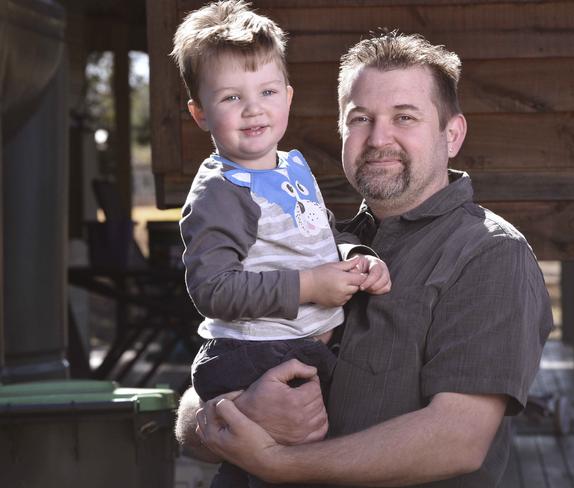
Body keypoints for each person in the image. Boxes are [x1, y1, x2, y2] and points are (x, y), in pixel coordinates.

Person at [178, 30, 553, 487]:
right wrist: (237, 409)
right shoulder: (312, 241)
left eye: (405, 117)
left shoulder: (490, 254)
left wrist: (277, 462)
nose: (378, 138)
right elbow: (194, 409)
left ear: (451, 134)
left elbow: (457, 440)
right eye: (360, 119)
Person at [171, 3, 391, 486]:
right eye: (230, 97)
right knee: (289, 459)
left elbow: (320, 232)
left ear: (288, 97)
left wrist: (355, 257)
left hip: (296, 344)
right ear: (200, 113)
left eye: (267, 91)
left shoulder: (291, 166)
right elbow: (214, 289)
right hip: (255, 354)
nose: (253, 109)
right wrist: (310, 286)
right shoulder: (221, 193)